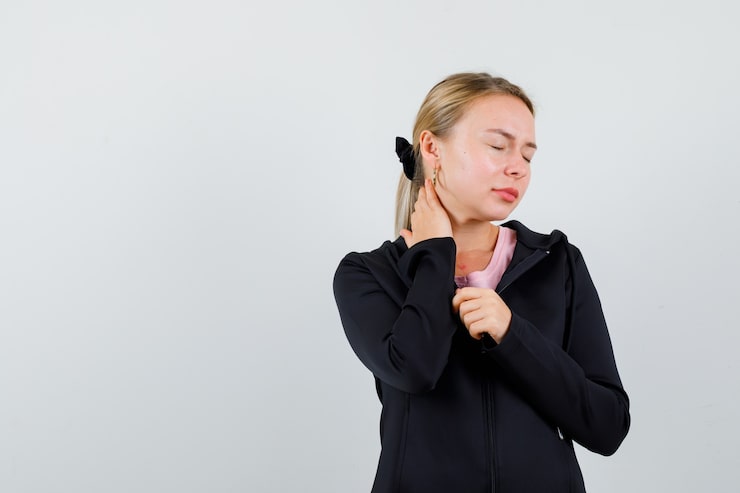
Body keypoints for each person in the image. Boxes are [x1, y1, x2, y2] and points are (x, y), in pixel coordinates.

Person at [333, 72, 630, 493]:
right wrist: (435, 256)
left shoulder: (557, 263)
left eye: (527, 155)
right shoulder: (369, 274)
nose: (517, 168)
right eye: (497, 145)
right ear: (432, 148)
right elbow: (415, 370)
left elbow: (607, 426)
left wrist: (512, 333)